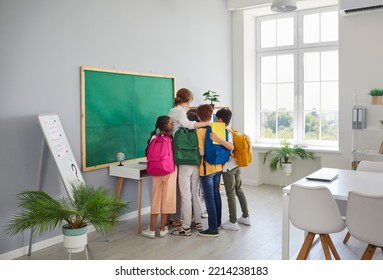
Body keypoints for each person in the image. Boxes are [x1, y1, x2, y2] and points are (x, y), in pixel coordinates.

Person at [168, 88, 211, 236]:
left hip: (184, 158)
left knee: (186, 194)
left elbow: (185, 126)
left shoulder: (174, 111)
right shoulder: (179, 112)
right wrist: (206, 123)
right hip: (193, 158)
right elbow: (189, 125)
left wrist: (202, 123)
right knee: (194, 192)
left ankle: (186, 227)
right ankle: (197, 222)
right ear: (188, 100)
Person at [196, 104, 234, 237]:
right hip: (219, 166)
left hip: (206, 169)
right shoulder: (220, 128)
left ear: (198, 116)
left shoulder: (200, 131)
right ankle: (217, 222)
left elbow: (201, 152)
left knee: (209, 197)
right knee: (216, 194)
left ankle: (212, 229)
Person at [141, 116, 177, 239]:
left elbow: (147, 154)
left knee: (155, 198)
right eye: (171, 122)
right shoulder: (172, 138)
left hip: (156, 171)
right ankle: (162, 229)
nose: (173, 124)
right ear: (167, 126)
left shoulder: (153, 138)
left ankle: (151, 230)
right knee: (167, 198)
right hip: (169, 171)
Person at [215, 108, 251, 231]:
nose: (215, 120)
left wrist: (218, 139)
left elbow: (230, 146)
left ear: (220, 119)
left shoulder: (225, 131)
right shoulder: (231, 128)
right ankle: (246, 216)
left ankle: (233, 221)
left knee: (230, 194)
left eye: (216, 118)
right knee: (239, 190)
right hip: (236, 164)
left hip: (228, 167)